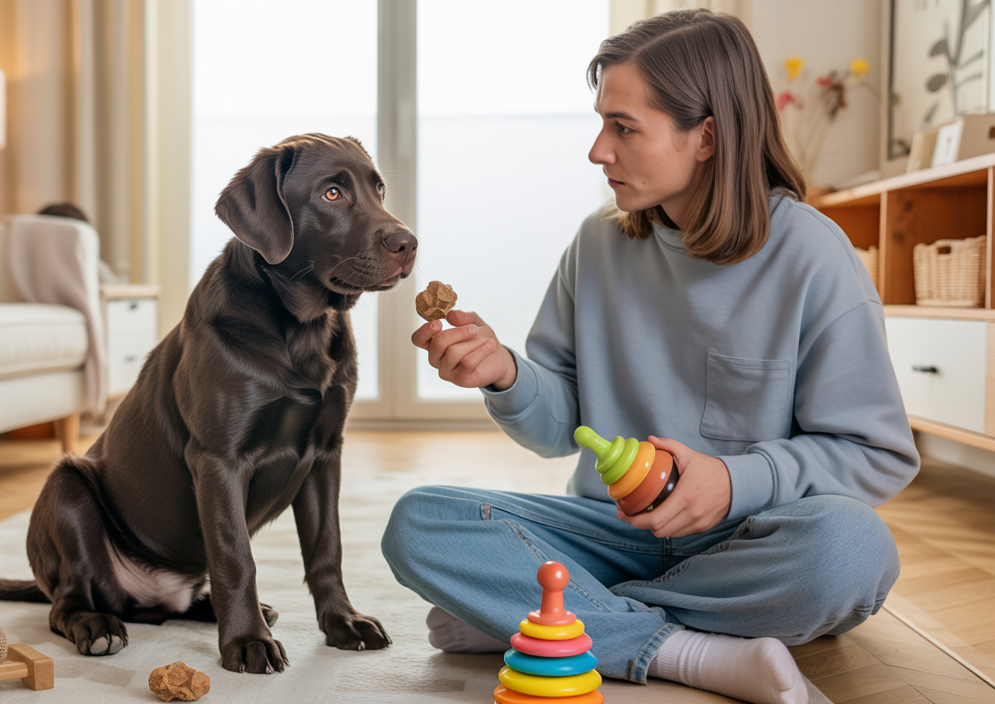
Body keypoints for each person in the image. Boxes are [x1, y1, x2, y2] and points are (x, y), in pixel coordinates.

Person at [379, 10, 918, 704]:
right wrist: (506, 375)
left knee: (853, 553)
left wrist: (734, 480)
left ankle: (556, 617)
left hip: (749, 542)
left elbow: (877, 454)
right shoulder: (598, 246)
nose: (598, 150)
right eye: (601, 122)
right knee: (420, 521)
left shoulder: (814, 256)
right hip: (608, 530)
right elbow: (556, 426)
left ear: (707, 136)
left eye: (624, 127)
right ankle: (687, 652)